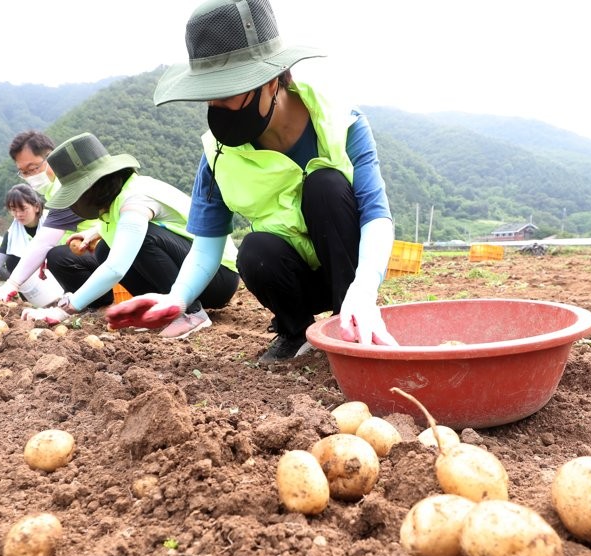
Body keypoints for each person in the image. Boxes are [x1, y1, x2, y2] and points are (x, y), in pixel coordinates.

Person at [106, 0, 398, 364]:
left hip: (348, 270)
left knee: (325, 185)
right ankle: (295, 332)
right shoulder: (217, 155)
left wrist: (364, 288)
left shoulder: (342, 124)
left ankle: (349, 322)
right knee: (256, 249)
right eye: (209, 94)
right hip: (292, 275)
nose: (218, 106)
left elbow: (376, 215)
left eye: (229, 91)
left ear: (274, 79)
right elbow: (207, 245)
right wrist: (177, 297)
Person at [20, 132, 240, 338]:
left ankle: (191, 314)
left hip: (215, 276)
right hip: (190, 278)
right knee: (106, 247)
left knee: (143, 241)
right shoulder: (117, 201)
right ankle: (158, 311)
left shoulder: (136, 199)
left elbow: (116, 267)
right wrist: (96, 231)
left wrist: (64, 310)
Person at [0, 130, 101, 300]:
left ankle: (96, 302)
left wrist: (12, 284)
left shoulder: (67, 188)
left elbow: (44, 242)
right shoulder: (52, 191)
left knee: (57, 256)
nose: (30, 177)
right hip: (91, 251)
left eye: (33, 168)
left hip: (103, 249)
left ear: (51, 158)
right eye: (23, 172)